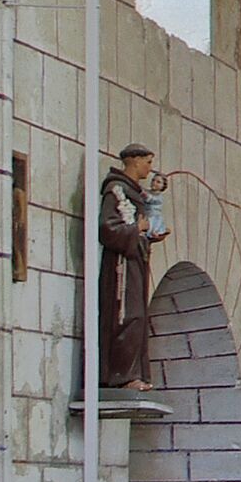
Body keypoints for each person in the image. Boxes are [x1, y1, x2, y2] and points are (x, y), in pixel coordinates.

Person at [100, 142, 166, 389]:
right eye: (148, 162)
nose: (150, 169)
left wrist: (148, 236)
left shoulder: (134, 192)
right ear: (135, 161)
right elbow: (108, 229)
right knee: (127, 316)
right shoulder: (116, 189)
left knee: (139, 316)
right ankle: (122, 376)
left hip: (134, 260)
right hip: (121, 266)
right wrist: (137, 230)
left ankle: (132, 374)